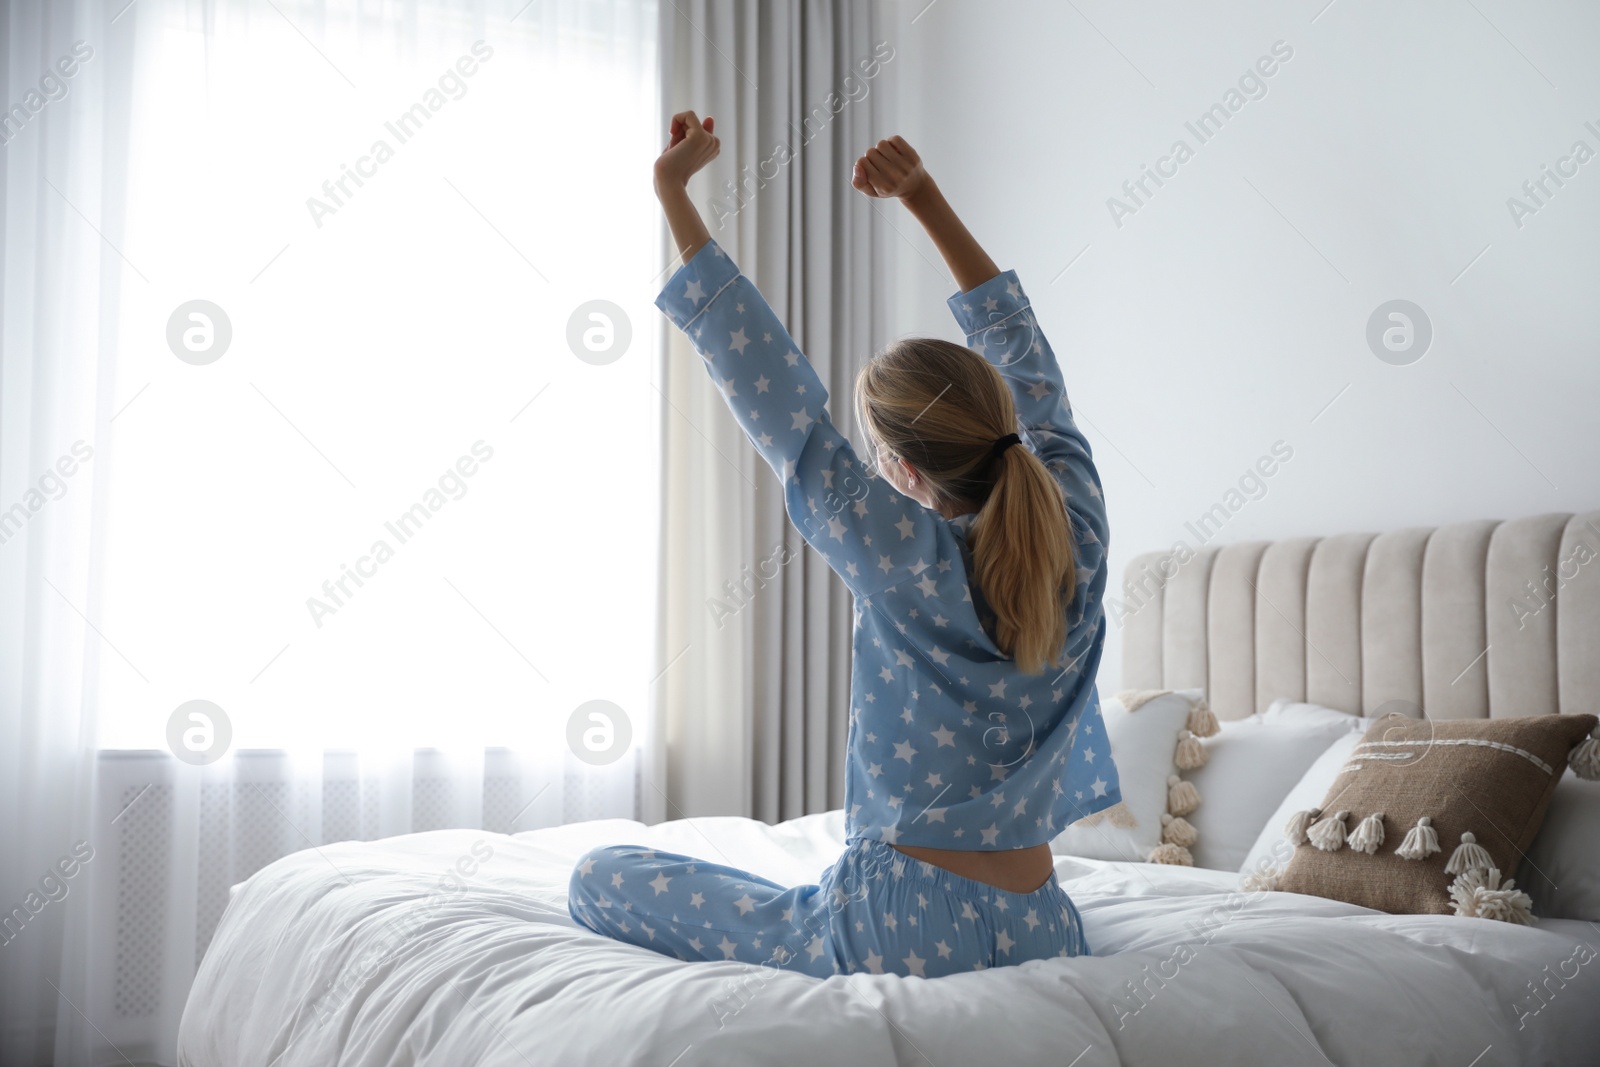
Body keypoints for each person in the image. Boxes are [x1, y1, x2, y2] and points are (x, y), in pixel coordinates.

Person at [567, 112, 1120, 978]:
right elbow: (1028, 361)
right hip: (1044, 923)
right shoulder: (1077, 531)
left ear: (899, 469)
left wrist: (673, 193)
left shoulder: (900, 548)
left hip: (902, 920)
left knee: (601, 874)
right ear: (1001, 425)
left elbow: (774, 396)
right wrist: (925, 198)